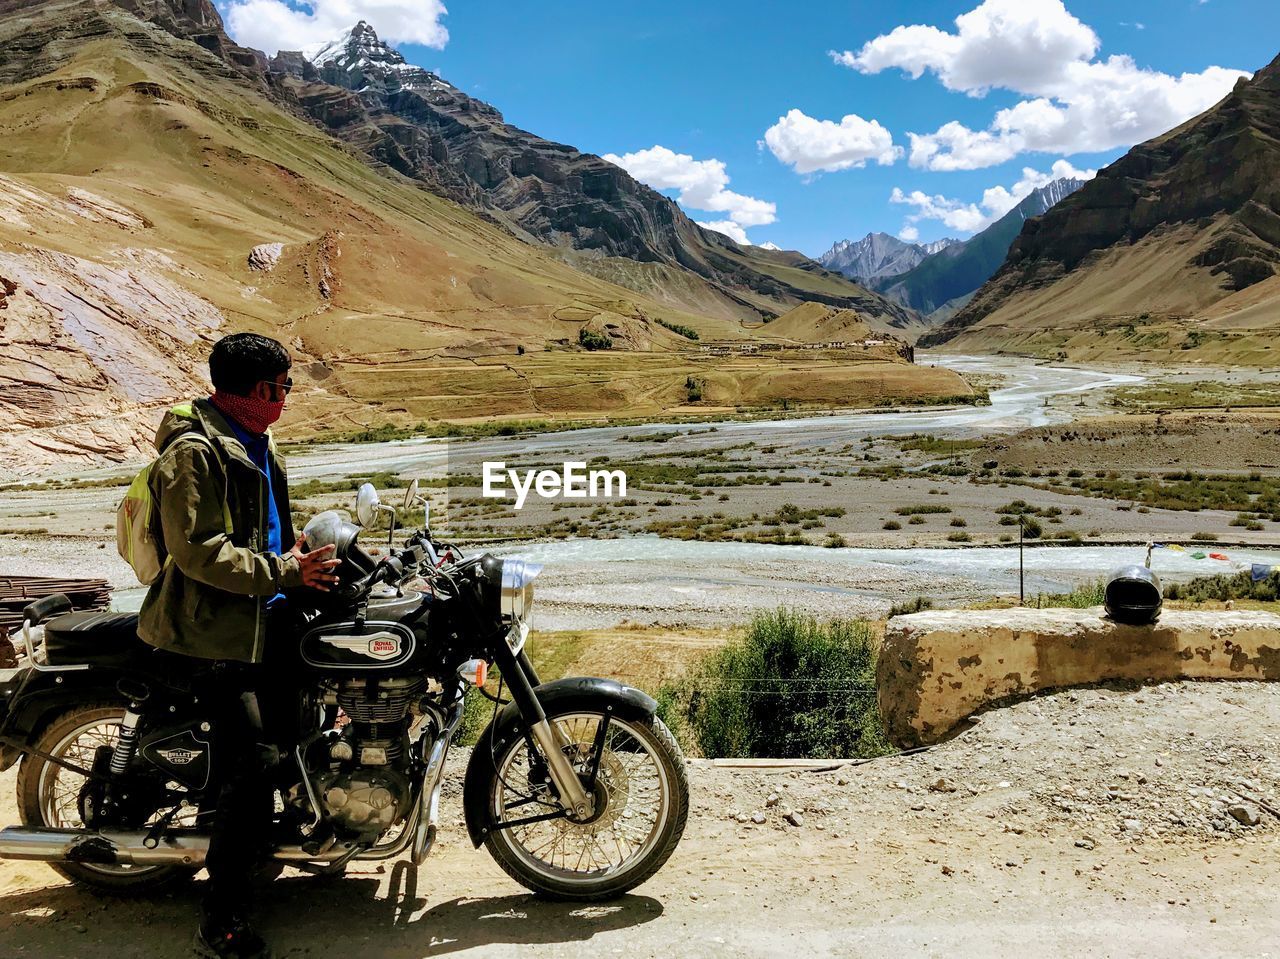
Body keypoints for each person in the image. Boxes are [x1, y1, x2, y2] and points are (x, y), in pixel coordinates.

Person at [137, 333, 341, 959]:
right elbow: (196, 550)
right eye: (283, 386)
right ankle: (220, 920)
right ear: (258, 391)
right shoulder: (194, 453)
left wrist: (309, 550)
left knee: (309, 718)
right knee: (253, 767)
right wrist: (285, 573)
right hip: (212, 635)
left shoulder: (255, 440)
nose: (286, 397)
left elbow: (268, 527)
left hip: (262, 619)